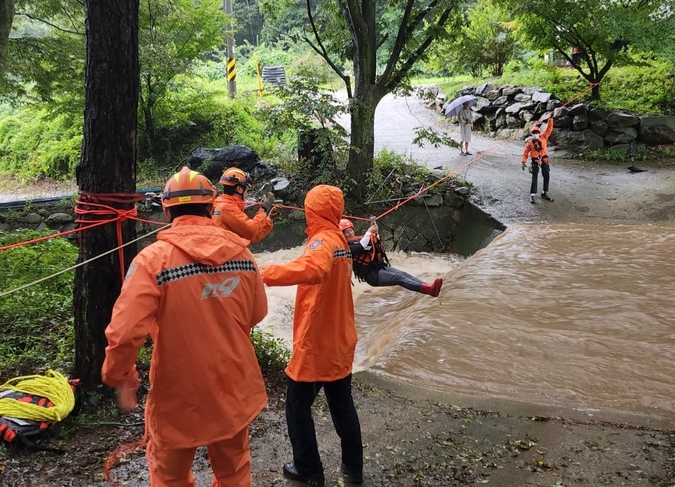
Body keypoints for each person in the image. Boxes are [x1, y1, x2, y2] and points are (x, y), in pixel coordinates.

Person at [101, 166, 268, 487]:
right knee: (234, 471)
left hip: (178, 394)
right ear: (210, 207)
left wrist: (119, 375)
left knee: (170, 476)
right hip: (233, 385)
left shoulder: (153, 261)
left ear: (166, 210)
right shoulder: (243, 256)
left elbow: (124, 332)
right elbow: (257, 313)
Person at [260, 184, 363, 487]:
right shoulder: (340, 240)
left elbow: (314, 268)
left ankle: (308, 469)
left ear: (313, 210)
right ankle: (353, 470)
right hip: (340, 339)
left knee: (296, 404)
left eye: (308, 206)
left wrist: (263, 274)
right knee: (342, 405)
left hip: (317, 341)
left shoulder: (323, 240)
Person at [339, 218, 442, 297]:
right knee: (399, 278)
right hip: (372, 276)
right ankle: (427, 289)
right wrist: (369, 232)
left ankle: (427, 286)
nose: (350, 233)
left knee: (403, 274)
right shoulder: (346, 248)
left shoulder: (360, 240)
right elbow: (361, 246)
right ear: (342, 235)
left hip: (379, 267)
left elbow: (374, 243)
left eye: (351, 230)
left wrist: (374, 233)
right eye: (346, 232)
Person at [212, 166, 279, 243]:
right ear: (239, 189)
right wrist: (263, 209)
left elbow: (251, 237)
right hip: (227, 253)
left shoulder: (219, 203)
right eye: (246, 191)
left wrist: (269, 220)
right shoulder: (227, 207)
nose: (247, 194)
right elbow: (251, 231)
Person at [521, 116, 555, 204]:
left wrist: (550, 119)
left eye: (537, 132)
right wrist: (523, 162)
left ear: (539, 133)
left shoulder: (544, 138)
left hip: (544, 160)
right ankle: (532, 194)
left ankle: (545, 192)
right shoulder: (530, 143)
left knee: (546, 175)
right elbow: (525, 153)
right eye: (534, 133)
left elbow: (549, 129)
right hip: (535, 161)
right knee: (534, 177)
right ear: (532, 134)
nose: (535, 134)